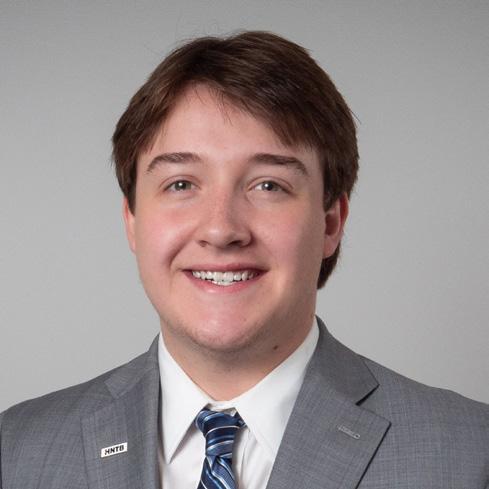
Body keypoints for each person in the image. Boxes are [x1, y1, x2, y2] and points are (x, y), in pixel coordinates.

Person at [0, 30, 488, 489]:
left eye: (268, 185)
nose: (220, 229)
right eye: (181, 184)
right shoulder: (17, 451)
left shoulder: (469, 455)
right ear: (132, 220)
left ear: (331, 223)